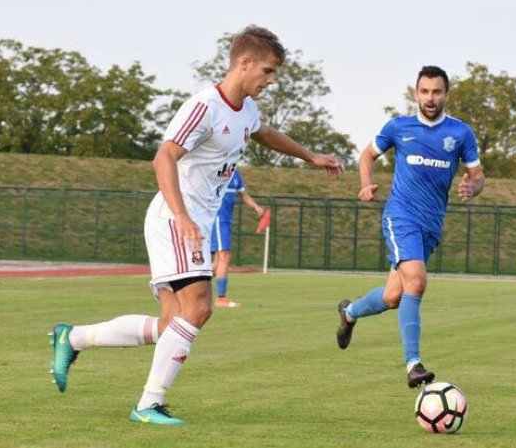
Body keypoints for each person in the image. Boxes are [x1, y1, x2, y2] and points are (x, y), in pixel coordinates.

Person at [50, 25, 342, 425]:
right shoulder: (204, 105)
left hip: (191, 221)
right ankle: (148, 404)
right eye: (268, 71)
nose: (271, 81)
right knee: (201, 307)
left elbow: (266, 133)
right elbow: (163, 157)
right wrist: (183, 216)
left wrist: (311, 156)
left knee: (173, 323)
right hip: (177, 219)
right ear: (244, 63)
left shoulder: (247, 110)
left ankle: (74, 337)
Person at [335, 66, 485, 388]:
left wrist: (473, 188)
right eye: (424, 91)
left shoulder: (460, 134)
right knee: (415, 282)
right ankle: (414, 364)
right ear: (415, 93)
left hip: (431, 224)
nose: (430, 98)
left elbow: (478, 175)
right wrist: (365, 184)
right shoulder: (399, 127)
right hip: (401, 216)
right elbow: (367, 155)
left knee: (393, 296)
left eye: (437, 92)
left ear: (446, 94)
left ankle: (350, 312)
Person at [211, 168, 264, 308]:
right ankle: (221, 298)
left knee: (217, 262)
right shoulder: (216, 168)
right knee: (224, 257)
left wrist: (256, 207)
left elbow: (244, 195)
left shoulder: (235, 173)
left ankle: (189, 289)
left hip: (226, 220)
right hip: (218, 219)